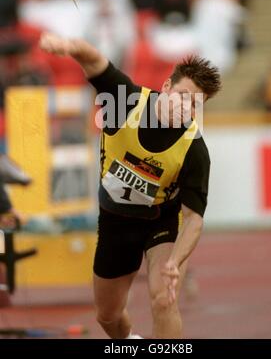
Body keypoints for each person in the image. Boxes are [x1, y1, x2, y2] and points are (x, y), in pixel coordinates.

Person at [39, 32, 221, 339]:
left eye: (194, 106)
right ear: (166, 87)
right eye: (183, 97)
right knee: (107, 315)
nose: (185, 109)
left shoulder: (194, 150)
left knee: (164, 299)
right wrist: (68, 47)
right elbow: (94, 59)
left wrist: (175, 262)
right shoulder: (126, 101)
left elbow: (193, 219)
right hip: (115, 222)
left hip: (161, 223)